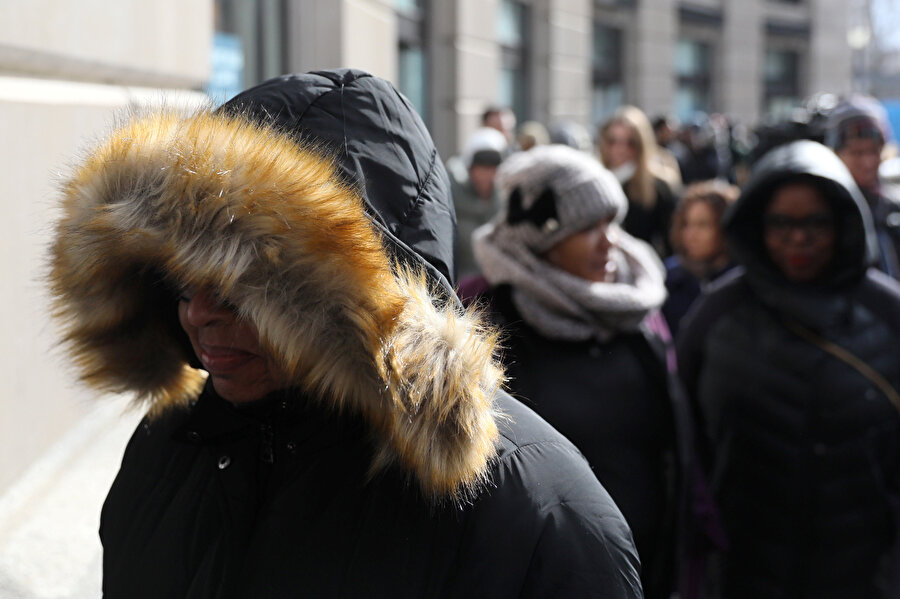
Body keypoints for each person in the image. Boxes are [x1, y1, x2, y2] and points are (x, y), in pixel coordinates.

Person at [48, 70, 643, 598]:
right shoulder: (172, 445)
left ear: (351, 304)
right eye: (181, 278)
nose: (199, 311)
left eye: (241, 286)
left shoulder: (536, 515)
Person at [461, 144, 700, 599]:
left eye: (611, 221)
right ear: (541, 238)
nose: (609, 240)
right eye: (588, 227)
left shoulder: (637, 307)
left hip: (650, 568)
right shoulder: (486, 318)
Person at [678, 140, 900, 599]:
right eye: (782, 223)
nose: (798, 238)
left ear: (842, 221)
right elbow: (684, 449)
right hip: (742, 569)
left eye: (815, 223)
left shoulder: (887, 313)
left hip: (863, 573)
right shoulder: (715, 316)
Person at [826, 94, 900, 279]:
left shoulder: (891, 210)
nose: (868, 162)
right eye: (857, 153)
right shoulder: (825, 209)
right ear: (836, 154)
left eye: (874, 151)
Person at [598, 106, 678, 257]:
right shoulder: (596, 182)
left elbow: (669, 243)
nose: (620, 149)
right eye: (613, 141)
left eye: (630, 143)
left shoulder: (658, 187)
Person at [662, 180, 739, 337]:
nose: (691, 235)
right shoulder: (670, 277)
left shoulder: (741, 279)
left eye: (702, 225)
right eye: (686, 224)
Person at [446, 126, 508, 278]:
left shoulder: (506, 199)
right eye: (482, 166)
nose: (488, 174)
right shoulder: (450, 198)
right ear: (470, 168)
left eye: (494, 167)